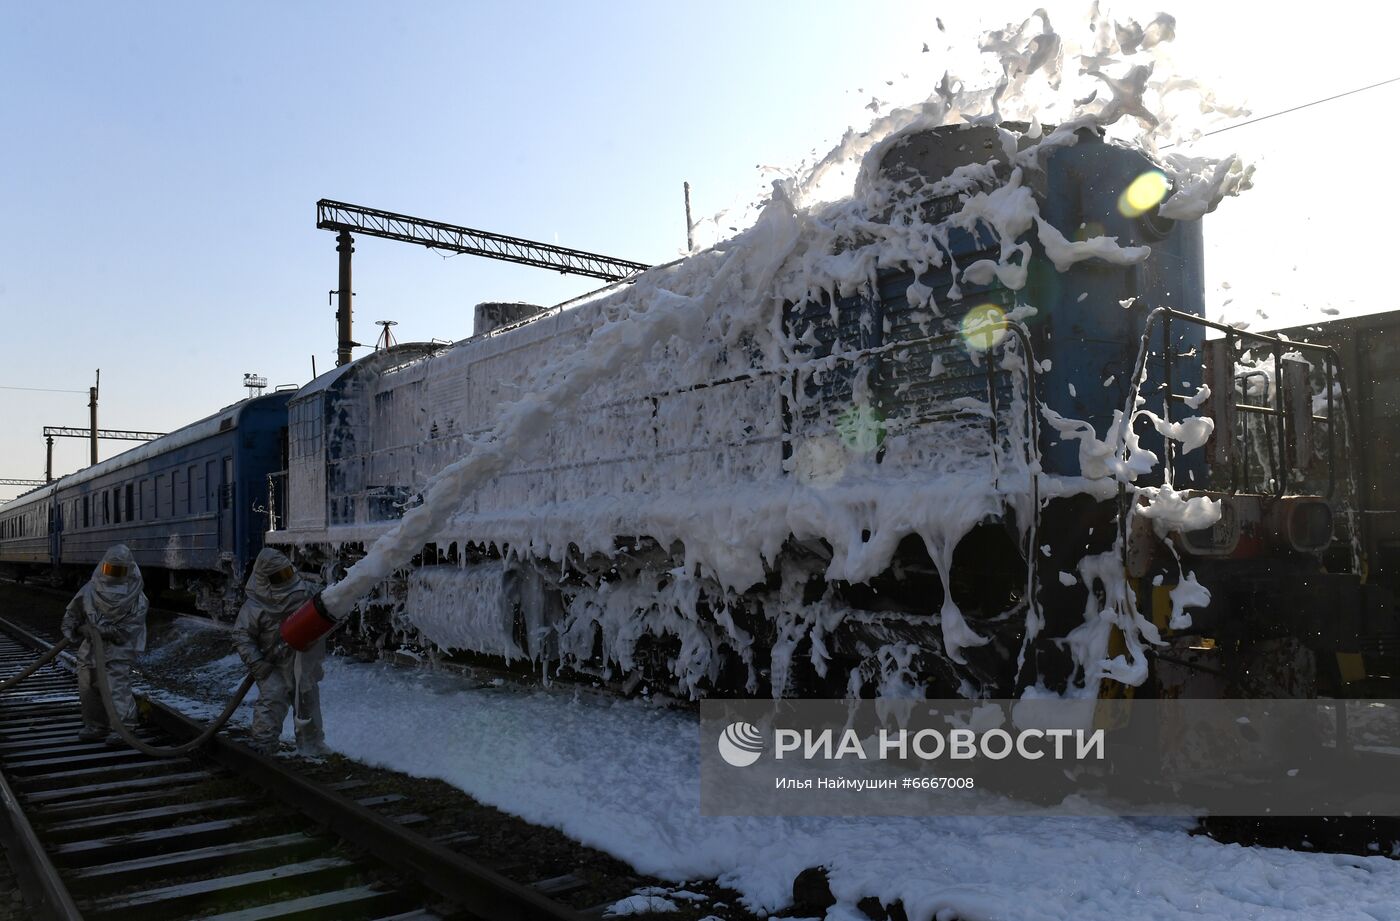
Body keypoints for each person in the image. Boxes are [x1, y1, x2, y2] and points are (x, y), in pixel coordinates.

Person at [233, 548, 329, 756]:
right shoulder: (254, 607)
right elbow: (242, 637)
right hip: (272, 666)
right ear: (265, 579)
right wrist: (258, 664)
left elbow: (327, 603)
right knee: (272, 699)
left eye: (287, 573)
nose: (285, 580)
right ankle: (264, 745)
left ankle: (312, 748)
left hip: (302, 662)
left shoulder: (306, 593)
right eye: (279, 577)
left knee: (307, 702)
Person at [62, 544, 149, 744]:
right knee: (88, 686)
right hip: (90, 650)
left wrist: (98, 631)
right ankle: (95, 725)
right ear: (103, 567)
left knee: (117, 688)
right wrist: (73, 628)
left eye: (118, 571)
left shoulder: (137, 599)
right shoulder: (90, 590)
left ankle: (124, 728)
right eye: (111, 570)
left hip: (118, 651)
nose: (113, 575)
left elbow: (128, 630)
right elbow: (72, 615)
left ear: (129, 570)